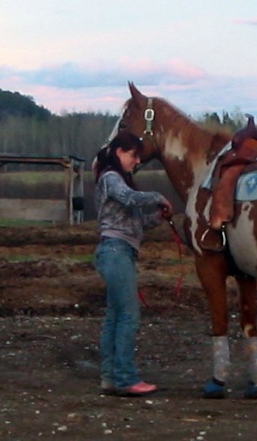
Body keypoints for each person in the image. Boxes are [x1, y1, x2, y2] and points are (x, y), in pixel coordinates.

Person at [93, 131, 173, 397]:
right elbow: (129, 198)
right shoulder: (111, 178)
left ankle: (111, 377)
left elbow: (136, 223)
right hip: (116, 251)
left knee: (115, 317)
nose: (136, 161)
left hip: (118, 251)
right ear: (119, 152)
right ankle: (125, 378)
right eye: (133, 155)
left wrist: (158, 217)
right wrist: (158, 197)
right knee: (128, 315)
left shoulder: (115, 181)